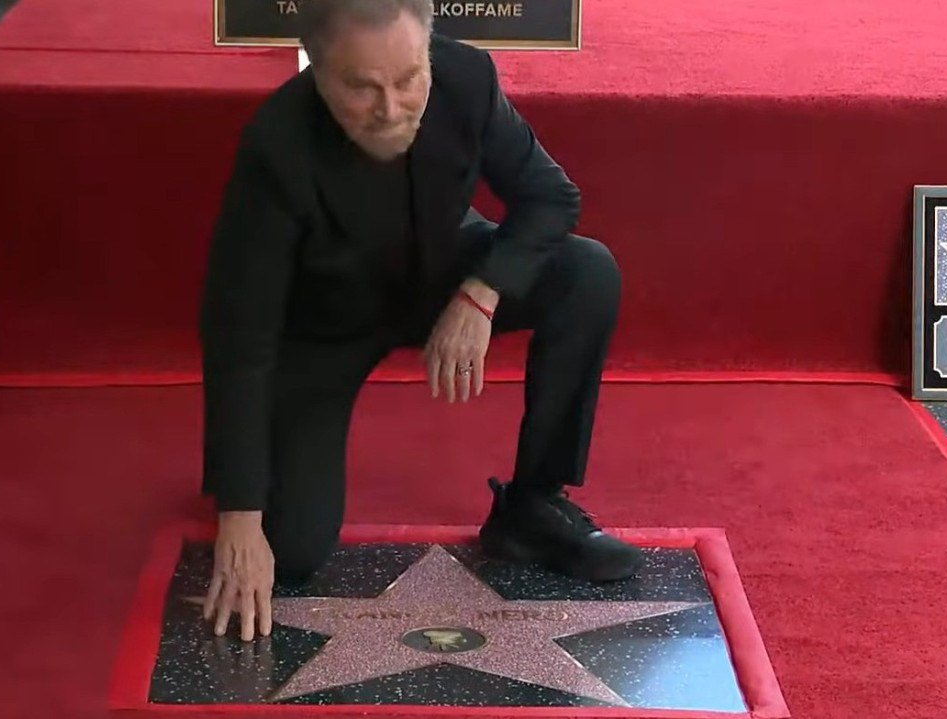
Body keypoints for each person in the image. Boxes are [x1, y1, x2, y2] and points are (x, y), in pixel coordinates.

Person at [198, 0, 643, 641]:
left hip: (442, 276)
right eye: (362, 88)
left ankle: (533, 507)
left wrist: (481, 293)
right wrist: (239, 514)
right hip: (324, 323)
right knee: (291, 552)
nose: (391, 109)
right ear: (316, 70)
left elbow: (550, 197)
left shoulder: (466, 77)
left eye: (409, 80)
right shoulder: (276, 144)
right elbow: (238, 337)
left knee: (587, 273)